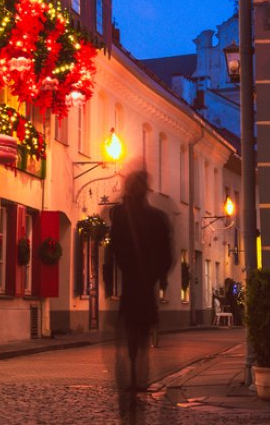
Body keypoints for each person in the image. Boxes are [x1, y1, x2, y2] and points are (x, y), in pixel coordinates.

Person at [104, 170, 173, 424]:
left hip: (131, 286)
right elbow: (167, 255)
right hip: (144, 286)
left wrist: (109, 280)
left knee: (129, 340)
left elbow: (112, 253)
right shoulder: (156, 218)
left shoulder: (120, 215)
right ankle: (137, 380)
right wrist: (159, 277)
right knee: (140, 336)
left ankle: (130, 386)